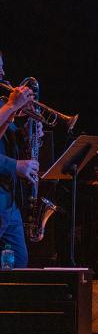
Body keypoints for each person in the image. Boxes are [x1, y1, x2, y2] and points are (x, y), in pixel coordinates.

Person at [0, 52, 39, 268]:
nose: (3, 73)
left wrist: (29, 131)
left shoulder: (3, 102)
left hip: (8, 198)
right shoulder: (6, 104)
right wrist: (11, 108)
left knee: (19, 262)